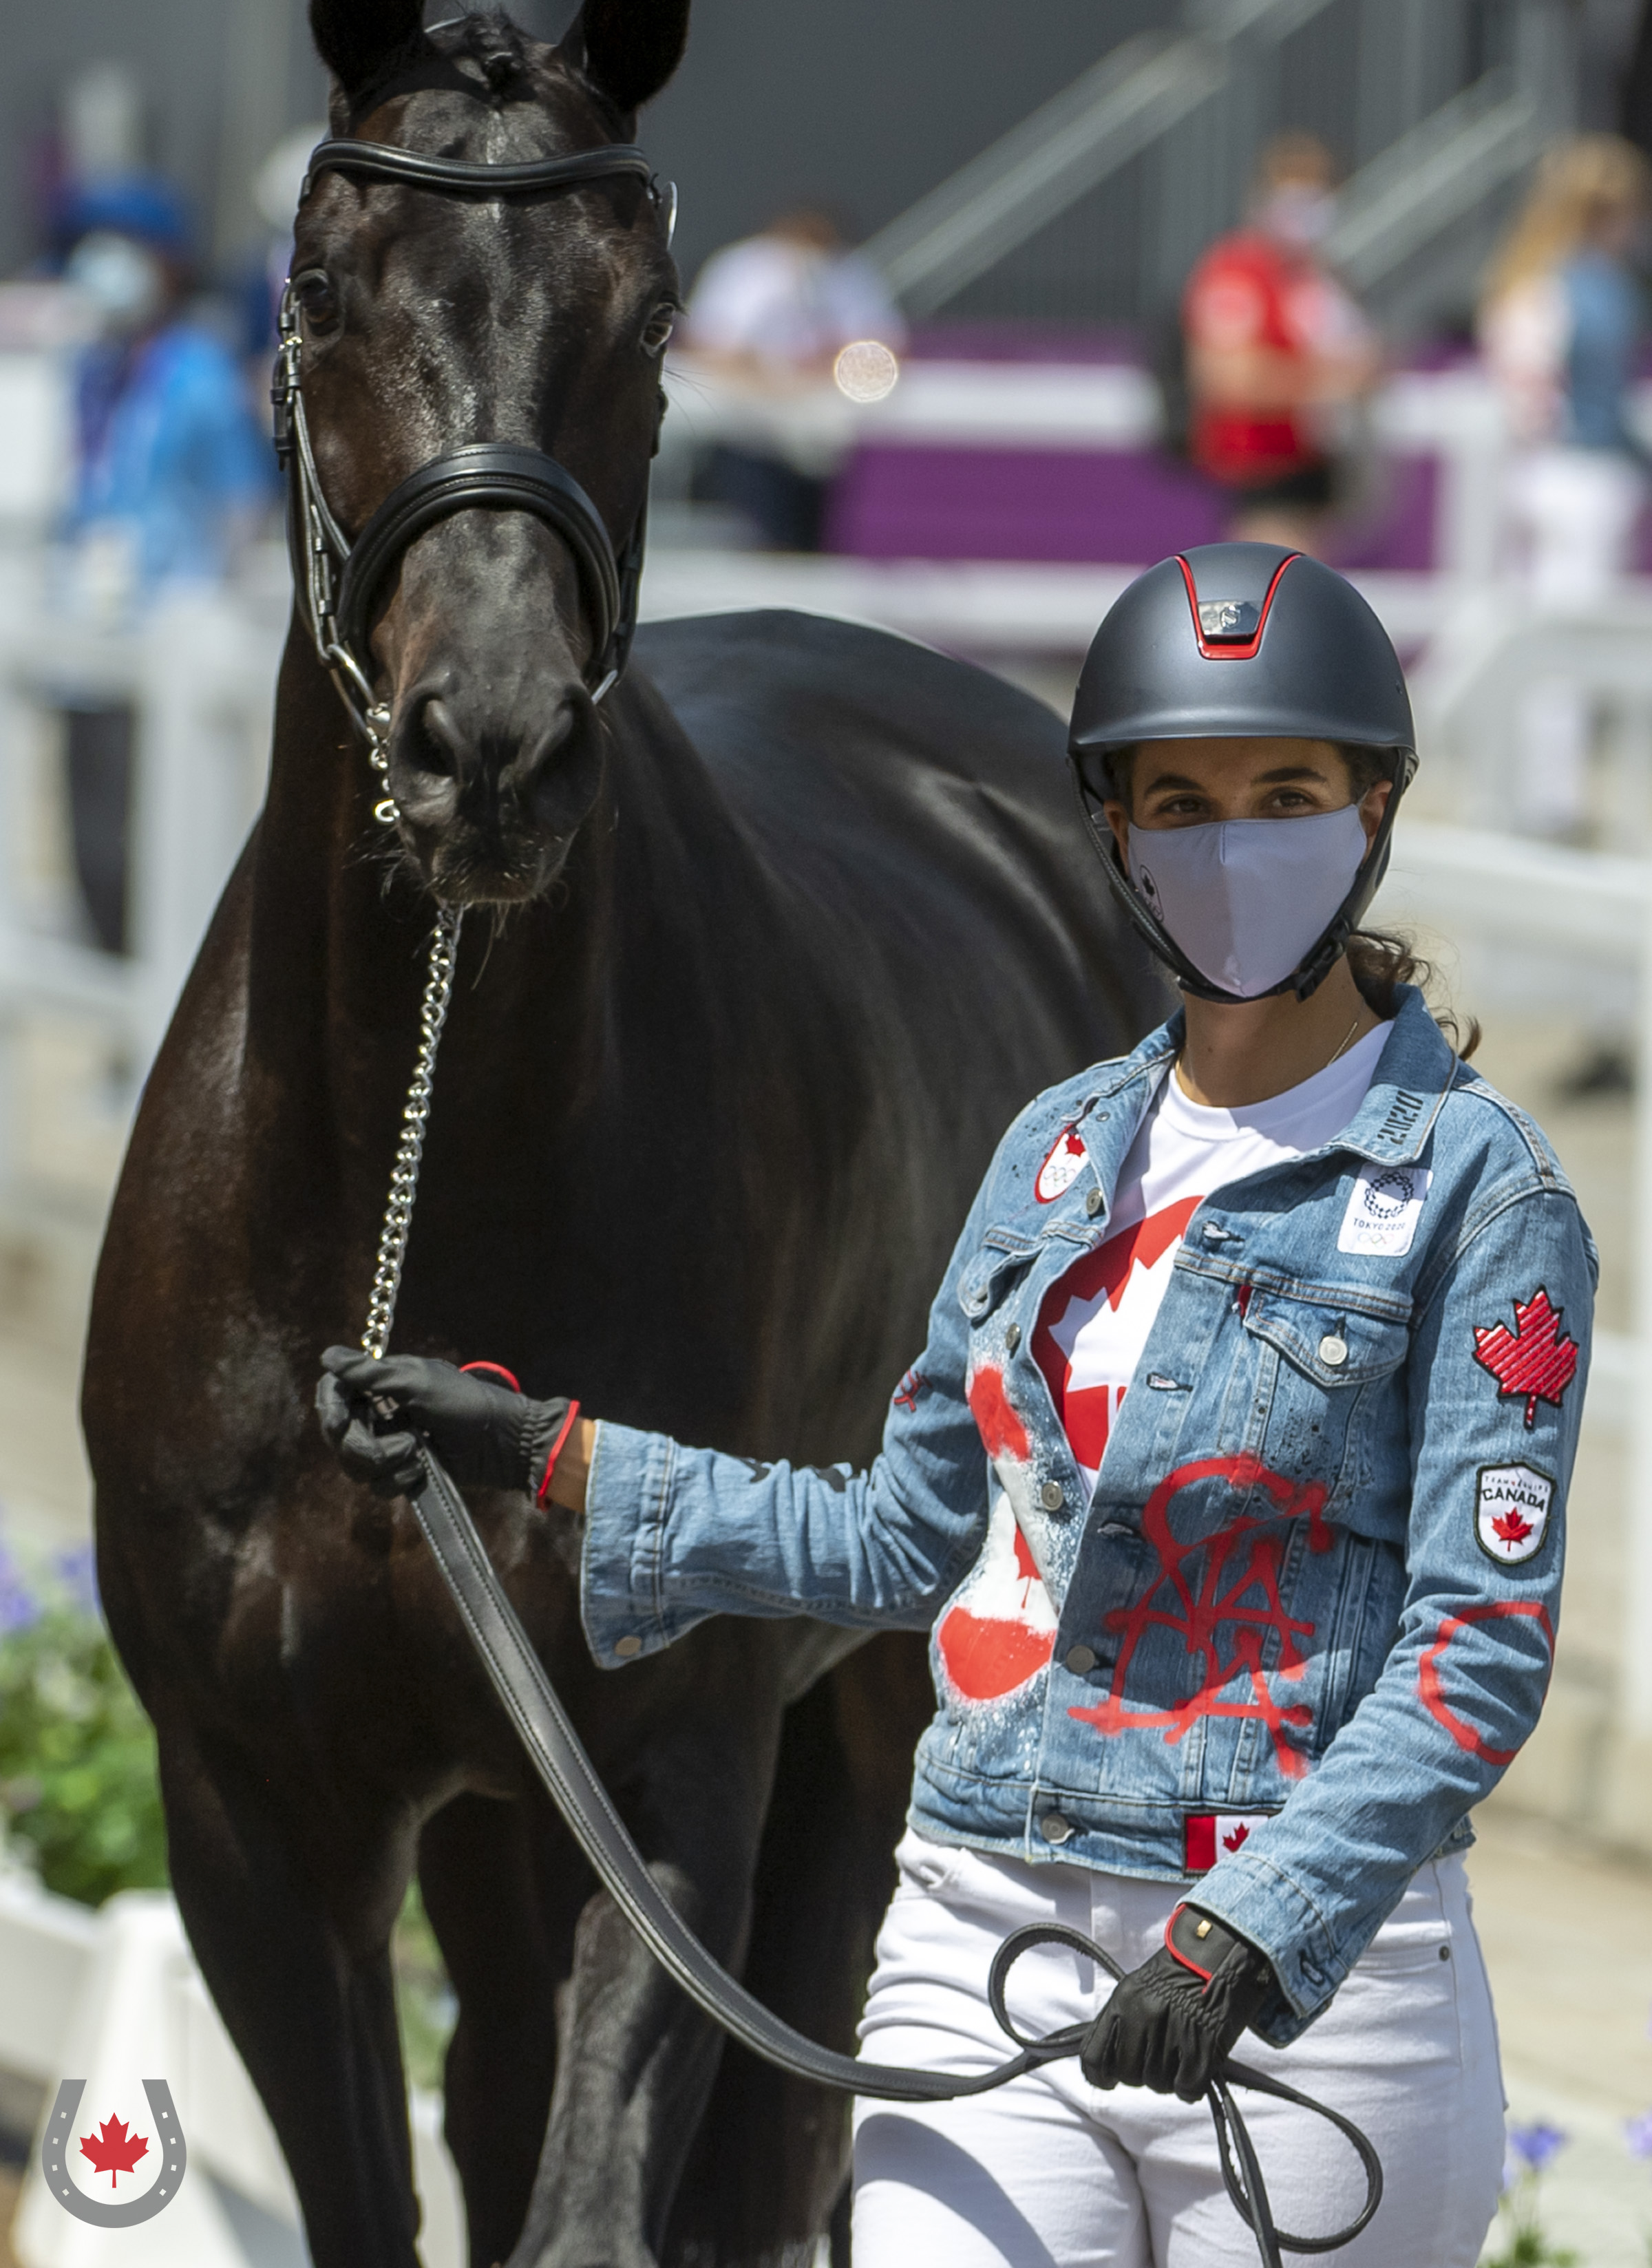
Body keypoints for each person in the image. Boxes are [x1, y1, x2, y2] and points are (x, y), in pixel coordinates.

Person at [319, 543, 1592, 2267]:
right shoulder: (1053, 1147)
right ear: (1114, 832)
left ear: (1369, 808)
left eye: (1281, 794)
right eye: (1178, 803)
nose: (1230, 845)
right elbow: (896, 1530)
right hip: (980, 1927)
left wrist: (1245, 1932)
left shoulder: (1479, 1201)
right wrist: (546, 1454)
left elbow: (1470, 1650)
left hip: (1310, 1989)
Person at [55, 173, 271, 953]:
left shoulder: (198, 372)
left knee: (153, 856)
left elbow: (242, 505)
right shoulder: (94, 369)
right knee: (91, 856)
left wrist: (208, 605)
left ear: (165, 263)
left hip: (166, 641)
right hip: (89, 640)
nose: (100, 264)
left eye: (121, 247)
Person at [1477, 136, 1652, 843]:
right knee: (1561, 634)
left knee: (1564, 630)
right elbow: (1532, 395)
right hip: (1570, 475)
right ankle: (1550, 797)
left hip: (1575, 473)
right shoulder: (1558, 285)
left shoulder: (1567, 281)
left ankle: (1554, 788)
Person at [1182, 136, 1380, 553]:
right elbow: (1230, 378)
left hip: (1322, 471)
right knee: (1271, 584)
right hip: (1266, 474)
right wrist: (1327, 381)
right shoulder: (1238, 271)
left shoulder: (1323, 278)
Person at [677, 206, 905, 549]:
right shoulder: (744, 267)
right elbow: (709, 344)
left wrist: (815, 371)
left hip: (821, 438)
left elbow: (882, 351)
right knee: (758, 535)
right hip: (747, 431)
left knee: (811, 541)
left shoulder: (848, 272)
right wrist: (768, 378)